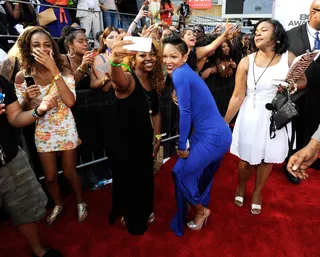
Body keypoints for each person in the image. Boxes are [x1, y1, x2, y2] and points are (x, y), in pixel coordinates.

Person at [224, 19, 307, 215]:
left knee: (266, 159)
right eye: (256, 31)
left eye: (263, 30)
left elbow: (302, 80)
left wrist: (290, 86)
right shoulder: (246, 61)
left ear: (276, 36)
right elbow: (237, 95)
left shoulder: (289, 58)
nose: (257, 34)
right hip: (251, 115)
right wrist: (223, 123)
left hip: (276, 117)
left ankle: (258, 192)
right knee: (246, 160)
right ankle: (242, 185)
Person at [14, 26, 88, 225]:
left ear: (53, 48)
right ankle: (58, 203)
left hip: (65, 124)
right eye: (36, 45)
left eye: (47, 45)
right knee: (50, 177)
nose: (42, 49)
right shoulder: (22, 76)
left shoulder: (63, 67)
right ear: (28, 49)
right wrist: (28, 100)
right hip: (43, 129)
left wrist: (54, 69)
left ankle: (81, 202)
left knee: (70, 171)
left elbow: (70, 101)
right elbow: (20, 111)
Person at [162, 35, 232, 236]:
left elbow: (185, 113)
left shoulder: (180, 75)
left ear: (185, 57)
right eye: (164, 56)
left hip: (212, 136)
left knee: (181, 173)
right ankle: (193, 207)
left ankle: (201, 210)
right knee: (191, 173)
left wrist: (182, 145)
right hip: (212, 133)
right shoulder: (184, 72)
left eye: (173, 56)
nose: (168, 61)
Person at [0, 75, 62, 257]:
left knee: (25, 209)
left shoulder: (1, 81)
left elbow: (15, 117)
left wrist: (39, 111)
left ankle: (38, 251)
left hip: (12, 160)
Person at [108, 34, 163, 235]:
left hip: (144, 142)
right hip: (124, 143)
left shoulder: (153, 83)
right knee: (129, 181)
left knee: (145, 178)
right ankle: (131, 214)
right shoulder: (129, 79)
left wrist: (157, 138)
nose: (148, 58)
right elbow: (118, 82)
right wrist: (114, 61)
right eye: (142, 55)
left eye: (152, 55)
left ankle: (145, 208)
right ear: (132, 59)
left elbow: (157, 113)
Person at [285, 0, 320, 184]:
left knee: (312, 128)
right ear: (313, 12)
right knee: (292, 132)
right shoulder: (291, 35)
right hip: (296, 95)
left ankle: (308, 154)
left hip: (318, 96)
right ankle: (290, 163)